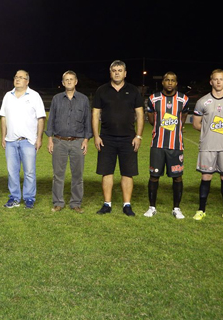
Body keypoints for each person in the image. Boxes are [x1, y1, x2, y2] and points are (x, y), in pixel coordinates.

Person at [92, 60, 144, 216]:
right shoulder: (102, 90)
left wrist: (138, 136)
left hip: (128, 139)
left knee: (127, 173)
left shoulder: (134, 91)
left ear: (125, 73)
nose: (117, 73)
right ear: (110, 73)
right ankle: (107, 204)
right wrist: (96, 136)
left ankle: (127, 205)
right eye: (114, 70)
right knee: (106, 172)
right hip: (106, 138)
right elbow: (95, 115)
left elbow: (140, 115)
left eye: (120, 70)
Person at [143, 72, 189, 219]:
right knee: (154, 176)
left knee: (177, 177)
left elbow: (182, 118)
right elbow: (151, 120)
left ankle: (176, 208)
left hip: (176, 145)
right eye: (167, 80)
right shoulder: (153, 99)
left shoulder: (184, 99)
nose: (170, 83)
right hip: (158, 144)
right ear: (162, 82)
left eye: (173, 80)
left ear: (176, 83)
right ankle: (152, 207)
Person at [45, 70, 92, 213]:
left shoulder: (83, 100)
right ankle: (58, 202)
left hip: (78, 141)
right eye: (66, 79)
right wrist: (50, 139)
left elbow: (87, 121)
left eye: (72, 79)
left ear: (76, 81)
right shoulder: (57, 99)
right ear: (63, 83)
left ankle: (76, 203)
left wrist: (86, 140)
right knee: (58, 174)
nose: (69, 81)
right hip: (59, 141)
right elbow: (51, 119)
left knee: (77, 174)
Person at [0, 70, 46, 209]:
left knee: (29, 172)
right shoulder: (8, 96)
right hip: (11, 141)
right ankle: (14, 198)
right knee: (12, 172)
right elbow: (3, 117)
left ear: (27, 81)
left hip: (28, 141)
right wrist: (3, 136)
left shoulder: (34, 96)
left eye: (21, 77)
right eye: (16, 77)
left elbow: (41, 118)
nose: (17, 79)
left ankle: (29, 198)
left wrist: (39, 138)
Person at [192, 69, 223, 220]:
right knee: (206, 178)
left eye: (221, 79)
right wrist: (210, 133)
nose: (218, 82)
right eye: (216, 79)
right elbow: (196, 124)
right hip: (208, 146)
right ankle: (201, 210)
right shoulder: (202, 102)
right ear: (211, 82)